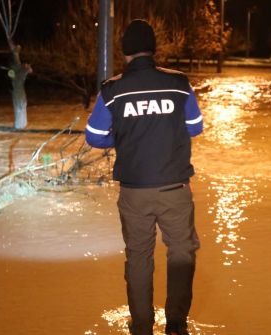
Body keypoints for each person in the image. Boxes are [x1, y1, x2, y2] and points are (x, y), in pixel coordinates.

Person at [84, 19, 203, 335]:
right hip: (175, 188)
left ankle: (141, 326)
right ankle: (176, 324)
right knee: (181, 252)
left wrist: (122, 137)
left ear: (125, 53)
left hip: (134, 191)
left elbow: (94, 136)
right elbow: (195, 127)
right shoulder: (179, 84)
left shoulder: (112, 90)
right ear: (153, 49)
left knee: (139, 258)